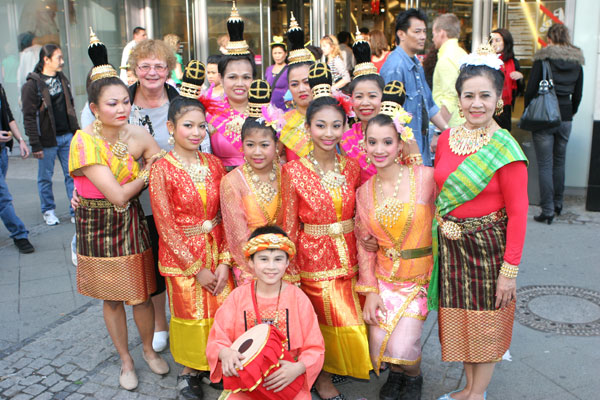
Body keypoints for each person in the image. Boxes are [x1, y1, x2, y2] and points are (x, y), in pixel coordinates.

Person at [69, 30, 168, 391]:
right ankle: (125, 360)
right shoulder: (85, 141)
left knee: (141, 293)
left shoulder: (137, 135)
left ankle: (148, 351)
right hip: (97, 225)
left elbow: (165, 166)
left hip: (132, 226)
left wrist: (154, 167)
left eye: (125, 101)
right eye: (112, 104)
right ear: (94, 109)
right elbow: (119, 195)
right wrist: (147, 170)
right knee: (112, 298)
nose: (121, 109)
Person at [432, 43, 528, 400]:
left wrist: (510, 270)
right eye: (468, 95)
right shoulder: (445, 140)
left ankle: (476, 395)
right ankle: (470, 388)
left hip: (489, 248)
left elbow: (519, 214)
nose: (476, 104)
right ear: (458, 99)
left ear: (498, 99)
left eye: (484, 96)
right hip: (451, 247)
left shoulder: (505, 148)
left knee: (485, 322)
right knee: (460, 319)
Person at [282, 62, 372, 400]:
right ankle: (320, 379)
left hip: (350, 252)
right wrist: (288, 268)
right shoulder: (292, 171)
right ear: (308, 128)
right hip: (312, 256)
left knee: (347, 318)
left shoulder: (351, 167)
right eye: (320, 125)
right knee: (319, 319)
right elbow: (289, 222)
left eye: (336, 125)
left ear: (346, 128)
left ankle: (336, 367)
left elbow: (361, 212)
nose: (329, 133)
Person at [149, 60, 234, 400]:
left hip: (217, 249)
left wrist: (226, 260)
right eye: (188, 125)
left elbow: (227, 216)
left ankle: (217, 363)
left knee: (220, 310)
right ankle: (190, 369)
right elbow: (165, 226)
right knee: (189, 313)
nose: (197, 133)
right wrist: (196, 269)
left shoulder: (215, 165)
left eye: (202, 126)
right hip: (182, 256)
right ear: (171, 127)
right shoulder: (162, 170)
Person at [356, 82, 434, 400]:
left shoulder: (425, 178)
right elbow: (364, 246)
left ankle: (413, 376)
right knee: (379, 347)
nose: (379, 149)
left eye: (387, 142)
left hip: (417, 278)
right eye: (372, 142)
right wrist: (371, 291)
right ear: (363, 145)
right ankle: (398, 376)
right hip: (384, 279)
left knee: (404, 345)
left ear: (400, 144)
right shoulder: (364, 193)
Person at [207, 225, 325, 400]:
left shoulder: (298, 298)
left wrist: (298, 368)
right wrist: (225, 353)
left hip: (286, 378)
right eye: (263, 259)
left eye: (278, 259)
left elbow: (315, 347)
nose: (271, 266)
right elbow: (218, 337)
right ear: (251, 263)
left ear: (287, 263)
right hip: (245, 381)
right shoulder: (238, 297)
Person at [127, 38, 188, 354]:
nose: (152, 72)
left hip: (180, 202)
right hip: (138, 203)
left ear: (169, 69)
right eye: (145, 66)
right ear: (135, 69)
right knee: (152, 267)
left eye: (159, 66)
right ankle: (161, 325)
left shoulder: (181, 100)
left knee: (179, 261)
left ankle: (183, 319)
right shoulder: (122, 103)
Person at [221, 80, 286, 285]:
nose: (257, 152)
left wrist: (282, 261)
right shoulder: (232, 181)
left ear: (276, 146)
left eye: (264, 145)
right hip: (249, 266)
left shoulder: (288, 175)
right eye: (250, 145)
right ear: (242, 146)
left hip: (287, 261)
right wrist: (260, 266)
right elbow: (237, 234)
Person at [525, 25, 583, 224]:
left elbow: (531, 89)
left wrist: (528, 110)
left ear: (549, 39)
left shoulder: (543, 60)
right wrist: (570, 112)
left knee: (545, 164)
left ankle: (547, 210)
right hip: (566, 117)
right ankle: (558, 204)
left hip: (545, 117)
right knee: (559, 162)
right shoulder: (576, 62)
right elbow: (578, 94)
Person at [380, 8, 448, 166]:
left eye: (424, 31)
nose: (423, 36)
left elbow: (429, 105)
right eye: (417, 31)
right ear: (401, 34)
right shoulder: (395, 67)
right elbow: (389, 118)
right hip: (405, 153)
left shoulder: (416, 64)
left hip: (421, 144)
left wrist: (447, 130)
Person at [21, 43, 79, 225]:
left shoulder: (62, 79)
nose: (62, 61)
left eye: (62, 57)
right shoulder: (33, 84)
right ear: (46, 60)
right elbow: (29, 116)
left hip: (67, 135)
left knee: (72, 174)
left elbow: (70, 107)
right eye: (58, 58)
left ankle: (74, 209)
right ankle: (48, 210)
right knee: (45, 177)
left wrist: (76, 131)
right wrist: (35, 144)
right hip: (47, 140)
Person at [206, 3, 256, 170]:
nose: (240, 84)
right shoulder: (210, 113)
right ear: (221, 78)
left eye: (246, 77)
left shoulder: (267, 113)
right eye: (232, 77)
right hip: (221, 185)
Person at [339, 31, 385, 183]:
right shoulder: (347, 139)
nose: (365, 103)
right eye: (359, 97)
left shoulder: (401, 134)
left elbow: (414, 180)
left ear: (382, 98)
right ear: (351, 100)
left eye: (372, 96)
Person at [0, 82, 34, 253]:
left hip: (2, 153)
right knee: (3, 197)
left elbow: (8, 115)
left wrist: (21, 141)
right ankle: (20, 234)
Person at [278, 13, 315, 162]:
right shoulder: (283, 122)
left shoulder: (331, 116)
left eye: (307, 82)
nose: (301, 89)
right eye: (295, 84)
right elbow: (277, 158)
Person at [432, 13, 467, 128]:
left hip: (451, 126)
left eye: (433, 34)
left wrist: (438, 130)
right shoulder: (462, 54)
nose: (433, 39)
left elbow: (450, 98)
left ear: (441, 33)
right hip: (462, 122)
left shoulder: (446, 59)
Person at [491, 29, 524, 132]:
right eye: (492, 41)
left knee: (503, 134)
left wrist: (520, 78)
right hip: (489, 105)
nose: (494, 44)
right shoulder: (486, 60)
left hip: (505, 106)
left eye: (497, 40)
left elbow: (521, 90)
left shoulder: (513, 62)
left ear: (506, 42)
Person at [265, 36, 289, 111]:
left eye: (280, 53)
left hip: (284, 108)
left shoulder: (289, 69)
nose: (277, 56)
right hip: (270, 108)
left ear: (285, 54)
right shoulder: (269, 69)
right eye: (275, 53)